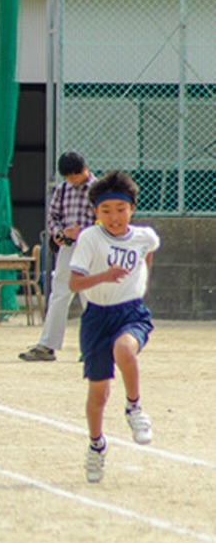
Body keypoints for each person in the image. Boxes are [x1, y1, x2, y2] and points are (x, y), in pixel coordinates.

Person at [69, 172, 160, 484]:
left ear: (132, 209)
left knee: (124, 349)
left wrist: (140, 283)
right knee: (99, 392)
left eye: (121, 209)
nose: (114, 217)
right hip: (96, 318)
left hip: (130, 313)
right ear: (95, 212)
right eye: (106, 211)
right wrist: (104, 276)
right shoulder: (89, 239)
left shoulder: (144, 236)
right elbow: (74, 283)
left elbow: (149, 254)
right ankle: (96, 445)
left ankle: (134, 408)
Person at [19, 151, 97, 361]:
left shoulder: (97, 190)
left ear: (83, 170)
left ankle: (93, 347)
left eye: (74, 176)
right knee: (60, 293)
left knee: (90, 296)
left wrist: (83, 232)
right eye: (67, 178)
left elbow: (107, 221)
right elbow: (53, 216)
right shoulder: (63, 190)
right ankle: (47, 345)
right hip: (69, 247)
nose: (72, 181)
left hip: (92, 247)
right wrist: (60, 234)